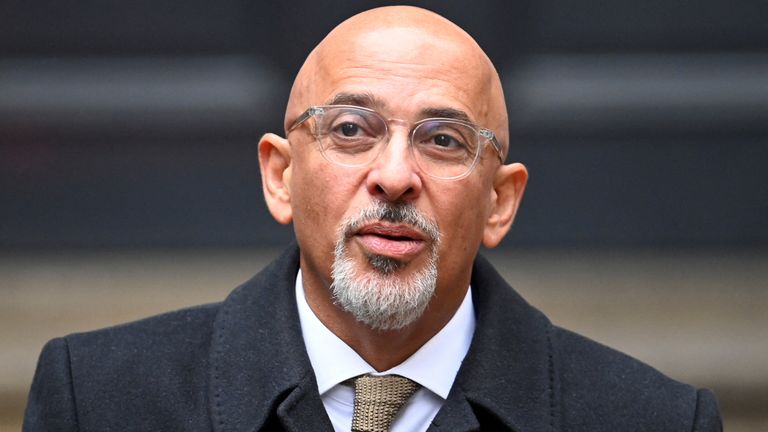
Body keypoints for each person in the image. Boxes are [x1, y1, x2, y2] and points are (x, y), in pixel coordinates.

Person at [24, 6, 722, 432]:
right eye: (352, 130)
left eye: (443, 140)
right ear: (281, 175)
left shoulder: (650, 420)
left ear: (500, 202)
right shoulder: (100, 399)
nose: (394, 175)